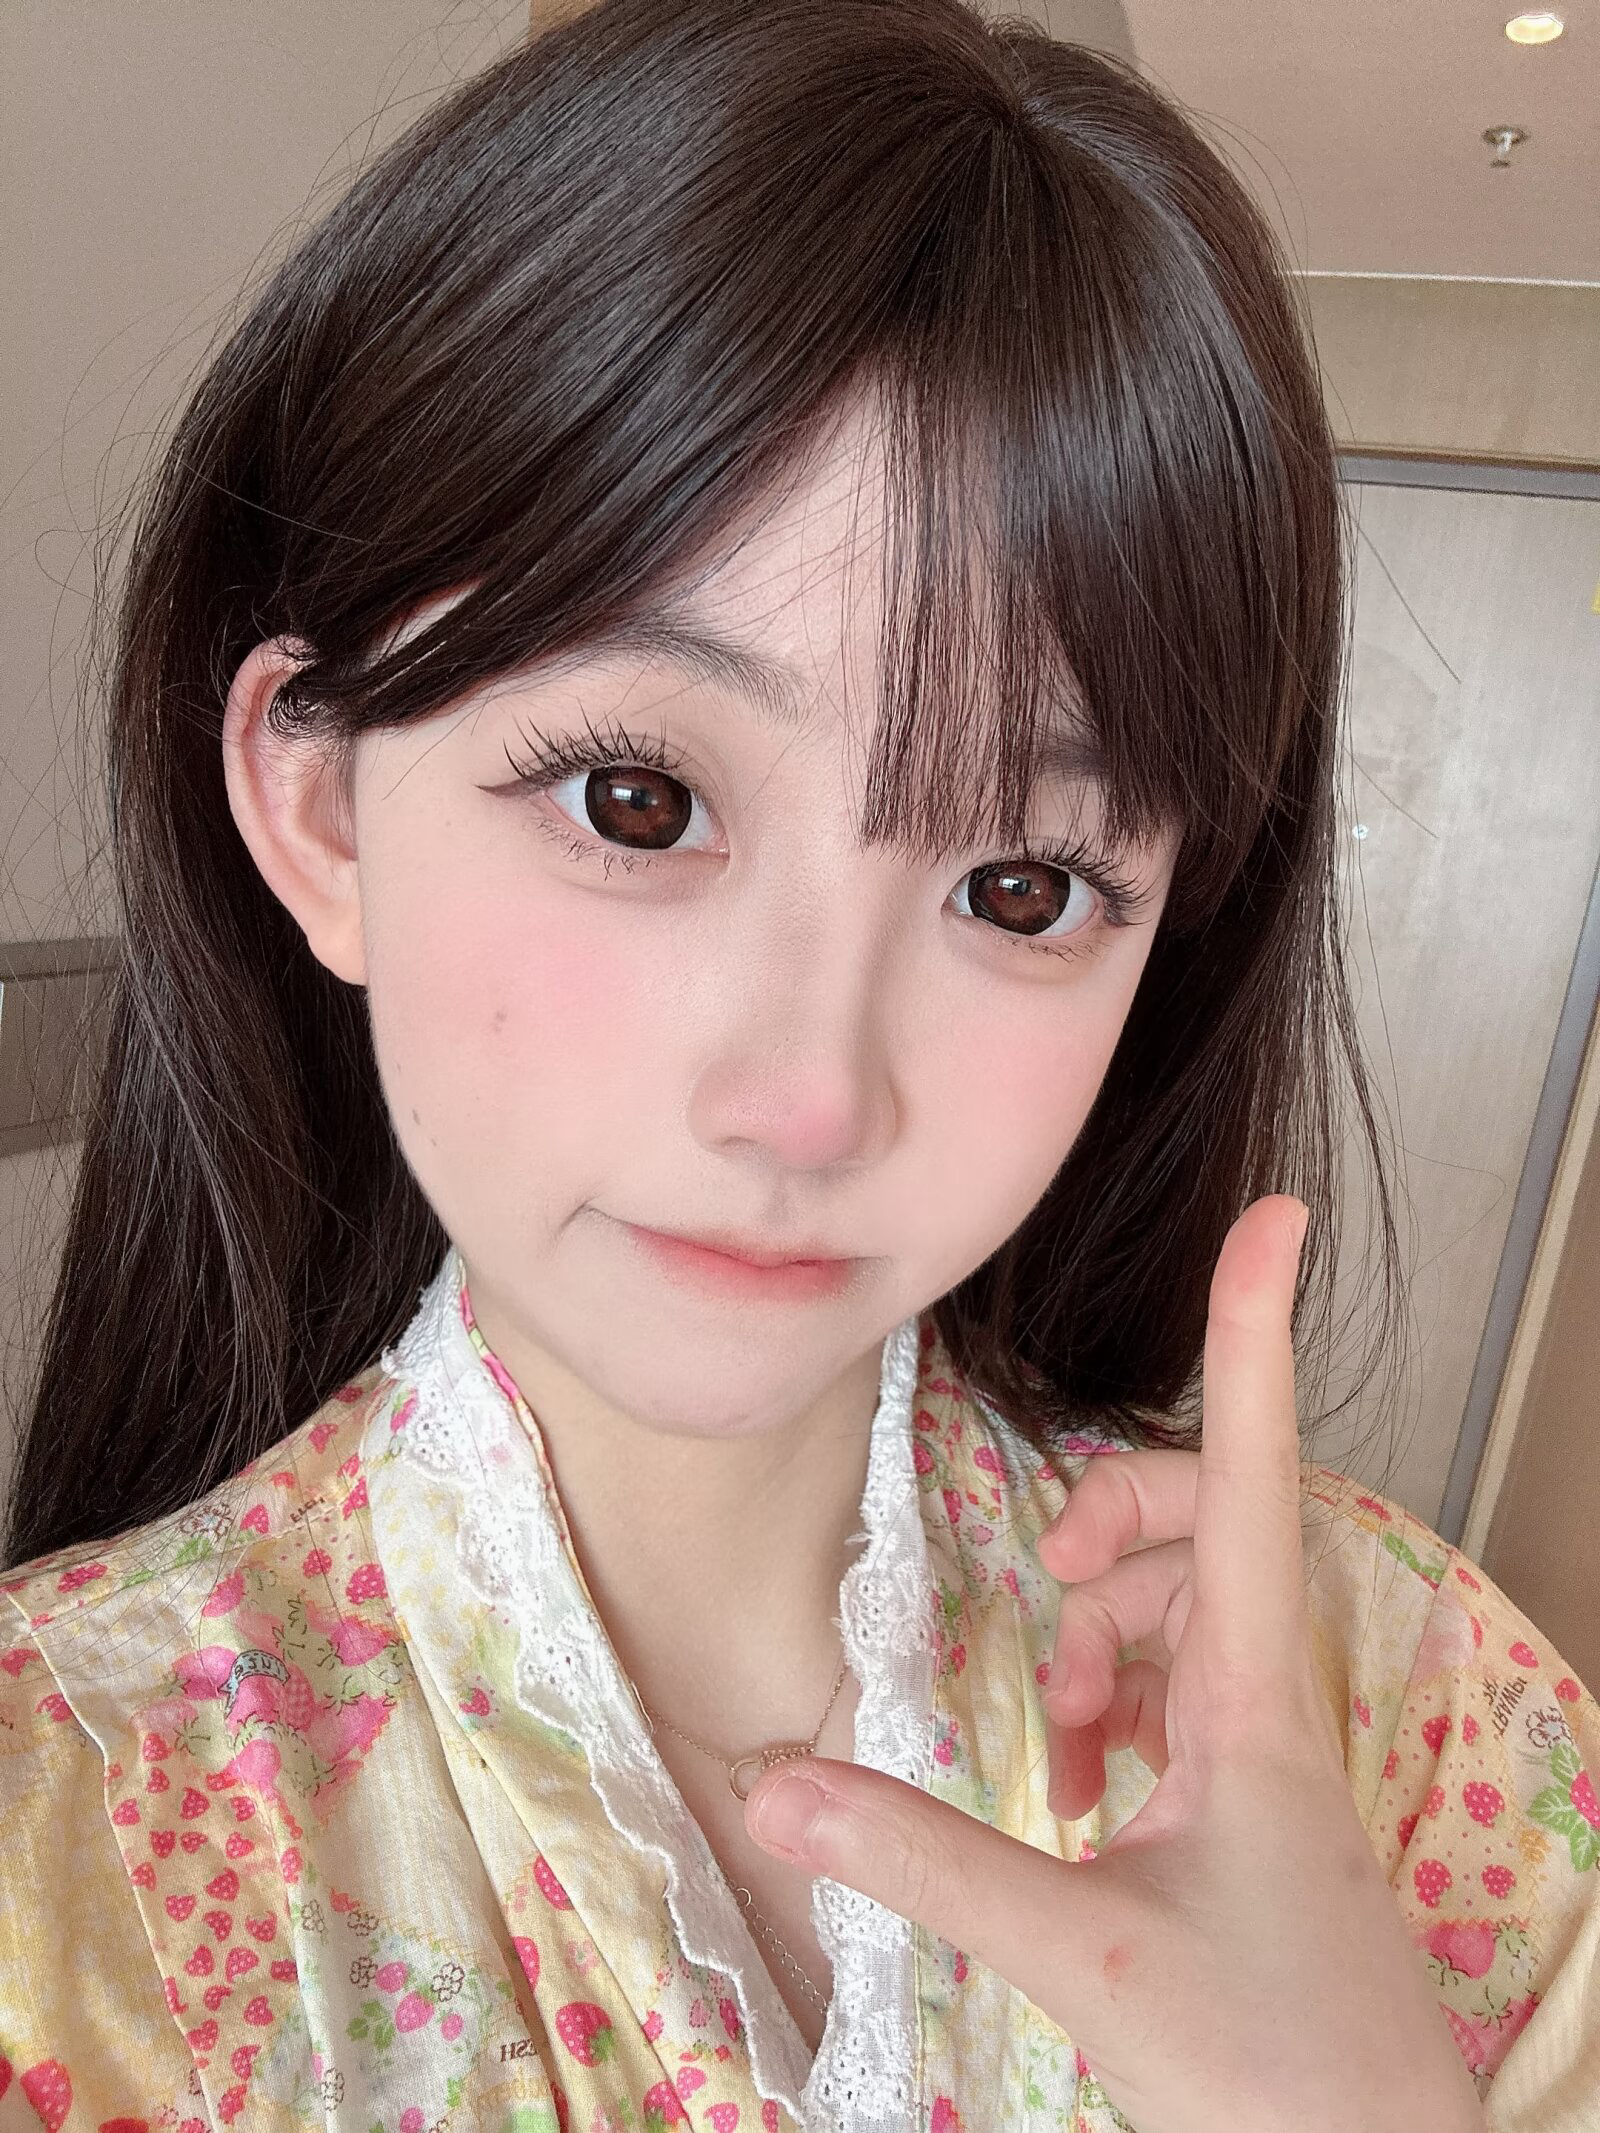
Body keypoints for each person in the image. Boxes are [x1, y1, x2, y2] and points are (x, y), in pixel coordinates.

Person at [0, 0, 1594, 2127]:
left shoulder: (1424, 1717)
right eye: (638, 803)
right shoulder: (55, 1852)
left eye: (1021, 886)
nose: (814, 1101)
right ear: (320, 814)